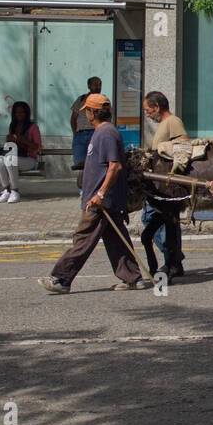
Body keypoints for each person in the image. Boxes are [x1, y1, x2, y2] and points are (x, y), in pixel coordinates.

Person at [39, 93, 149, 293]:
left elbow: (114, 167)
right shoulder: (102, 132)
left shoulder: (106, 133)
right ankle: (132, 278)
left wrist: (100, 194)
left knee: (83, 239)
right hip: (105, 199)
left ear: (93, 112)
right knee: (116, 240)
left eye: (87, 111)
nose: (86, 114)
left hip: (101, 201)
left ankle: (61, 279)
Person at [141, 91, 188, 278]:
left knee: (157, 221)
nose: (147, 114)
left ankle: (173, 258)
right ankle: (174, 258)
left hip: (166, 188)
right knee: (153, 221)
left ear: (157, 107)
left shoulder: (172, 122)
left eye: (147, 110)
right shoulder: (164, 124)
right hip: (158, 184)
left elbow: (183, 145)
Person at [0, 101, 41, 203]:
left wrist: (23, 140)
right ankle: (6, 190)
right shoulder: (13, 126)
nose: (19, 115)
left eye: (22, 112)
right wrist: (10, 139)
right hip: (15, 155)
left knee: (10, 159)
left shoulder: (33, 127)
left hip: (29, 159)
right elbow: (11, 146)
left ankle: (15, 191)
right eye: (17, 113)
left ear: (26, 113)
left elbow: (38, 147)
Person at [70, 76, 102, 186]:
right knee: (80, 163)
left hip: (95, 133)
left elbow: (107, 117)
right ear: (89, 86)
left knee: (94, 163)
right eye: (95, 84)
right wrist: (76, 133)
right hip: (80, 134)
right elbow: (73, 118)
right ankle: (82, 188)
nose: (97, 87)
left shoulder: (103, 100)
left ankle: (91, 187)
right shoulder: (81, 99)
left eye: (99, 84)